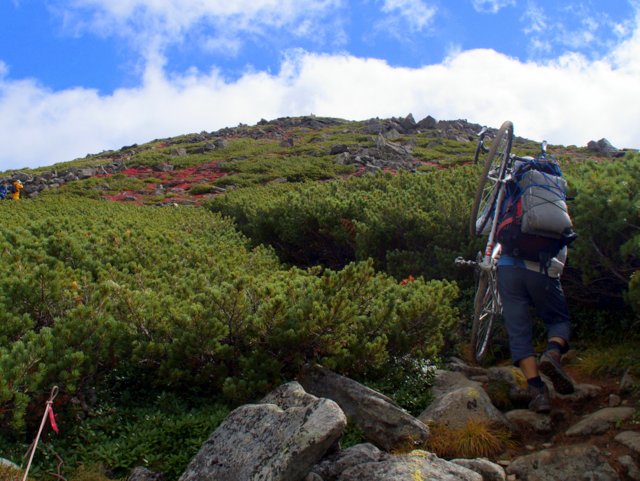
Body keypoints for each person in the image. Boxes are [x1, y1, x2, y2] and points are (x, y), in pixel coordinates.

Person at [497, 244, 575, 413]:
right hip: (545, 269)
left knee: (518, 332)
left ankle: (538, 392)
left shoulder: (506, 214)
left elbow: (481, 226)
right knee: (559, 319)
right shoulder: (558, 215)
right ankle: (552, 352)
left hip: (509, 269)